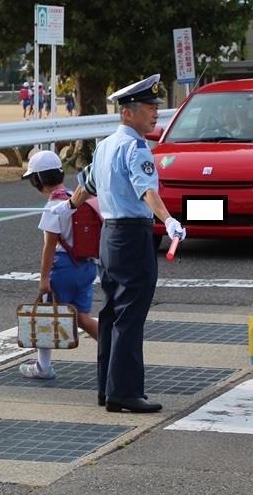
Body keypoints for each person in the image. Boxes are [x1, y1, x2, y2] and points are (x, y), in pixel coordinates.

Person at [69, 74, 185, 413]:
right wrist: (170, 220)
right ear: (128, 113)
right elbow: (147, 190)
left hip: (110, 237)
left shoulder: (105, 146)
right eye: (149, 108)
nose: (155, 114)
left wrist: (67, 208)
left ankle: (107, 388)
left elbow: (85, 187)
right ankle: (126, 391)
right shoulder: (136, 148)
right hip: (133, 235)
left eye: (156, 108)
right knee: (130, 316)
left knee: (111, 312)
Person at [18, 150, 98, 379]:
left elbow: (50, 245)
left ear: (39, 180)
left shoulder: (54, 205)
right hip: (85, 265)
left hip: (63, 267)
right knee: (82, 316)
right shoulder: (75, 194)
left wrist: (43, 279)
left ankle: (43, 367)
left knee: (47, 314)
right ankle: (112, 350)